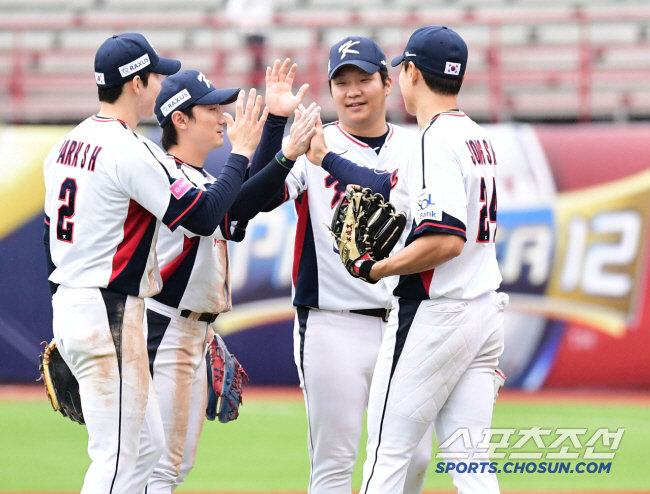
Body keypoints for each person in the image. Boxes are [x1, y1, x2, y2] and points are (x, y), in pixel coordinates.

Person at [42, 32, 268, 492]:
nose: (158, 84)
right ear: (136, 83)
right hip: (109, 309)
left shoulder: (66, 145)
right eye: (154, 76)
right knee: (121, 460)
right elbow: (204, 215)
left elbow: (50, 238)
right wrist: (242, 153)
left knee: (146, 453)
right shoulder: (129, 148)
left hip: (75, 299)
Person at [251, 37, 433, 494]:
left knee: (414, 458)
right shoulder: (316, 139)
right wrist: (277, 126)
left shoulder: (416, 148)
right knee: (336, 461)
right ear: (330, 90)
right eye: (342, 82)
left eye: (364, 79)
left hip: (404, 323)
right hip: (333, 323)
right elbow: (257, 195)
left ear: (387, 83)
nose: (353, 91)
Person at [337, 26, 507, 494]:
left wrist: (379, 268)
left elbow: (445, 240)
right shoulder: (474, 136)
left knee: (387, 454)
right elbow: (392, 185)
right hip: (483, 312)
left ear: (410, 72)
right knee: (471, 464)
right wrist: (326, 158)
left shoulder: (434, 141)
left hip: (436, 312)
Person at [135, 61, 317, 493]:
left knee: (174, 468)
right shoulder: (164, 174)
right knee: (158, 469)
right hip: (163, 329)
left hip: (192, 330)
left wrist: (274, 125)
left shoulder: (199, 178)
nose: (223, 116)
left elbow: (246, 200)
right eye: (210, 108)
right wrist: (282, 151)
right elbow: (229, 206)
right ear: (179, 119)